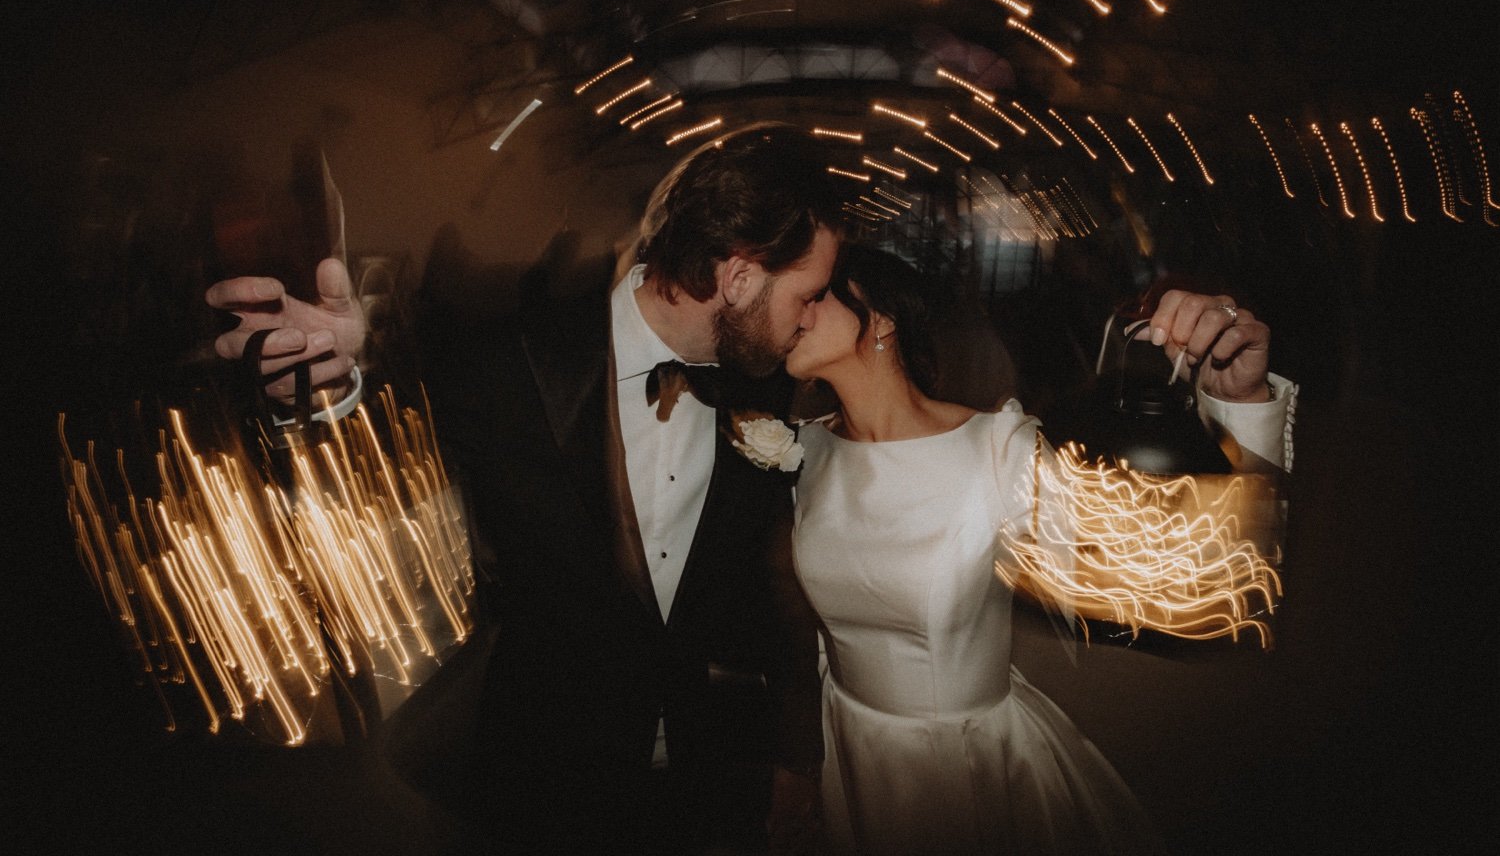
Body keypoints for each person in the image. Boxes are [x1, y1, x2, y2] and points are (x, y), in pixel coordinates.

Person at [205, 124, 843, 854]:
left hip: (706, 776)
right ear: (739, 279)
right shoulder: (514, 360)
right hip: (543, 778)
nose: (814, 317)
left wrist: (797, 756)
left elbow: (780, 592)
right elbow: (380, 493)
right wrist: (339, 385)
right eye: (810, 295)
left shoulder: (767, 392)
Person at [784, 244, 1295, 856]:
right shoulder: (803, 449)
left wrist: (1238, 402)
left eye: (816, 296)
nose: (793, 311)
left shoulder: (998, 451)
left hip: (960, 770)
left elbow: (1204, 574)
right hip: (846, 748)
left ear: (882, 318)